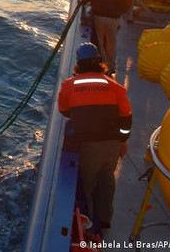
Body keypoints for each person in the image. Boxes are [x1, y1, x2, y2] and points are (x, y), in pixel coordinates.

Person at [58, 42, 132, 234]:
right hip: (112, 145)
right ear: (100, 62)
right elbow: (126, 117)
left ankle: (90, 227)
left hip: (89, 146)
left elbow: (64, 110)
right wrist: (122, 142)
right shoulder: (115, 87)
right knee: (107, 180)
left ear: (78, 64)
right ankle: (105, 219)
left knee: (87, 186)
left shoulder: (69, 85)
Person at [79, 0, 133, 74]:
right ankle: (112, 67)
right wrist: (120, 12)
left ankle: (103, 66)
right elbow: (128, 2)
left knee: (100, 42)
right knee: (111, 43)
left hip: (99, 16)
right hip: (114, 19)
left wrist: (85, 1)